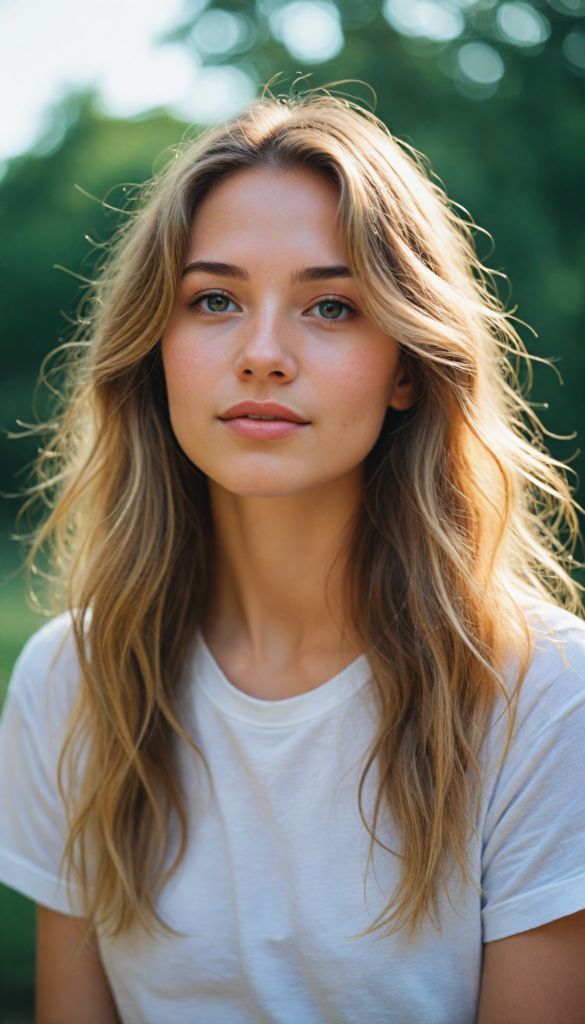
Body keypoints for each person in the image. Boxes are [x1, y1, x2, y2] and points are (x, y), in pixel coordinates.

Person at [0, 92, 584, 1024]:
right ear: (156, 346)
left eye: (330, 306)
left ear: (406, 365)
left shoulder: (544, 696)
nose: (263, 354)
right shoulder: (70, 681)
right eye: (215, 300)